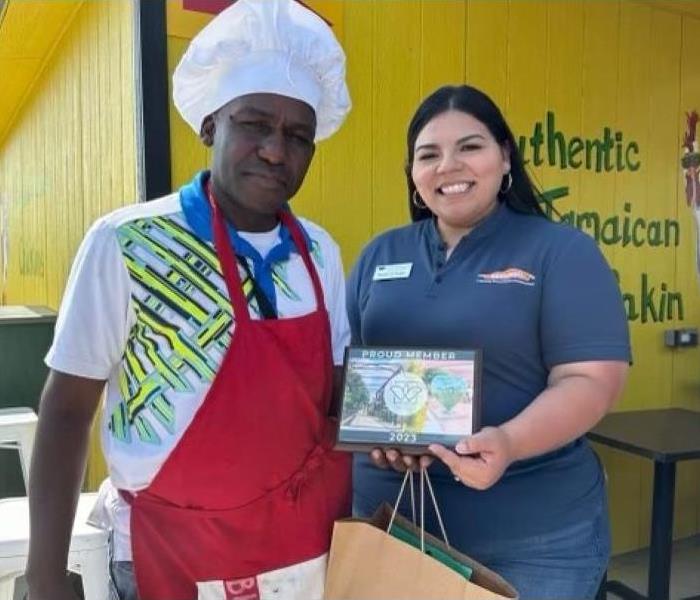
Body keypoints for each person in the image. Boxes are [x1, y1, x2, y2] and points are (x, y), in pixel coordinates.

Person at [26, 1, 352, 599]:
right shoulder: (129, 243)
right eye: (254, 123)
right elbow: (68, 410)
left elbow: (335, 405)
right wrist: (45, 573)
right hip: (167, 552)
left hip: (302, 553)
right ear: (209, 125)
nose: (276, 151)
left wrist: (403, 434)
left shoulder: (320, 253)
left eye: (298, 135)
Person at [346, 84, 631, 600]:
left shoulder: (561, 252)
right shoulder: (378, 253)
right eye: (428, 154)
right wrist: (377, 436)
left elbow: (591, 380)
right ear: (413, 175)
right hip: (390, 524)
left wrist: (509, 442)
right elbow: (355, 375)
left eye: (470, 147)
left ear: (505, 159)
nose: (448, 166)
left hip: (533, 540)